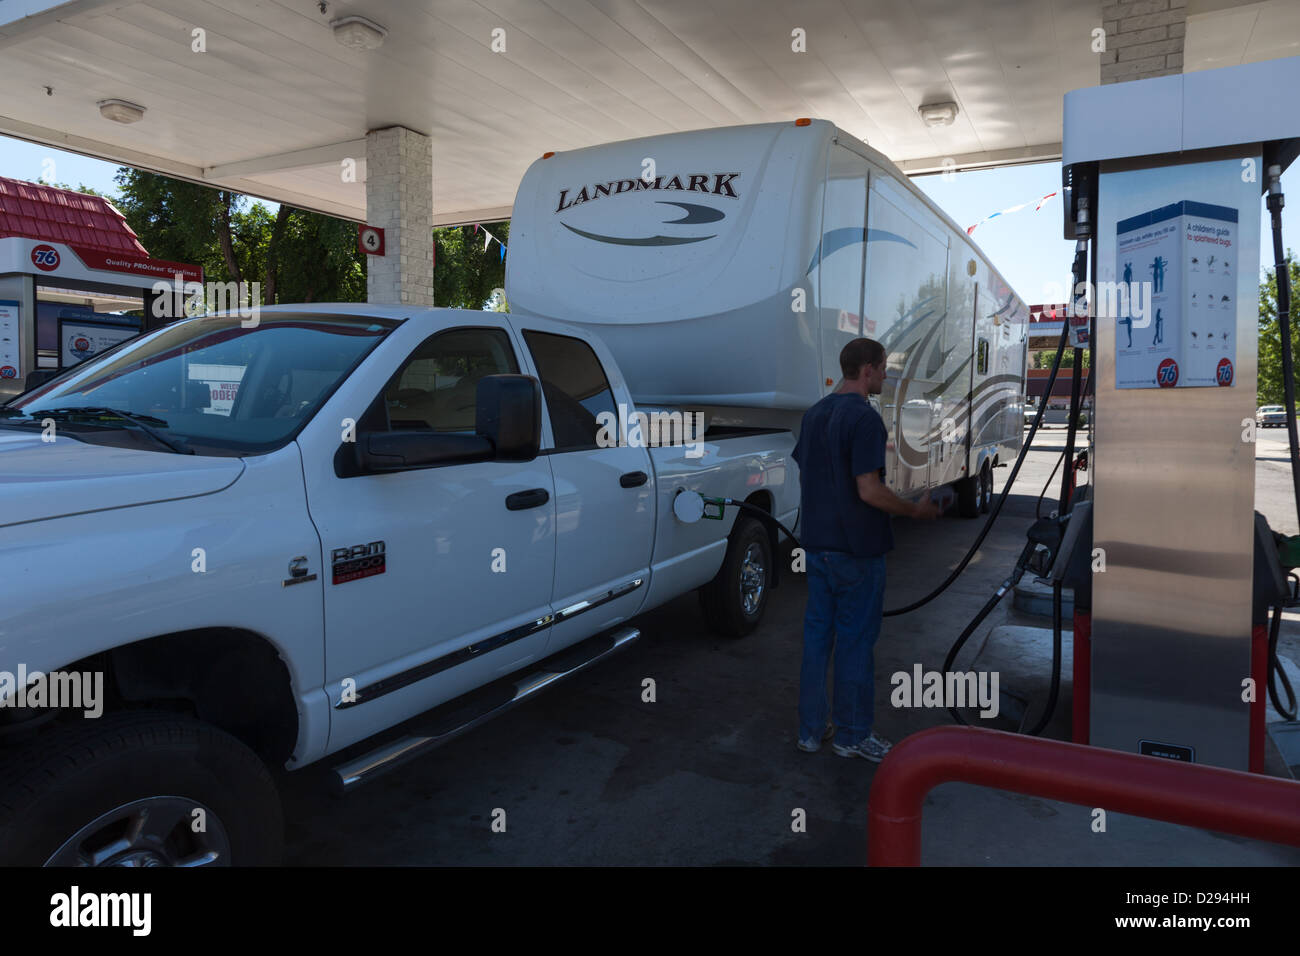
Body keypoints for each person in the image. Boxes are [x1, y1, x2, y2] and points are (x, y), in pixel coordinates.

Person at [791, 338, 941, 761]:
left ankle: (810, 731)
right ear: (867, 369)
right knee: (855, 643)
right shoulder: (865, 418)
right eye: (883, 367)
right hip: (856, 551)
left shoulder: (814, 414)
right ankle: (852, 736)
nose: (886, 375)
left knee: (817, 640)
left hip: (817, 547)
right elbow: (869, 490)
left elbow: (810, 473)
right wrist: (914, 511)